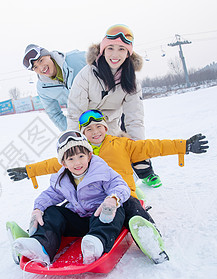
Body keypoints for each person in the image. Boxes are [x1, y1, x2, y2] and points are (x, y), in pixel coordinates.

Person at [7, 109, 209, 264]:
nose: (95, 132)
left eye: (98, 127)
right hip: (89, 207)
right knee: (55, 212)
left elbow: (153, 146)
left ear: (105, 127)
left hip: (122, 198)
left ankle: (150, 238)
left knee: (132, 208)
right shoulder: (77, 153)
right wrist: (28, 171)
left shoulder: (123, 145)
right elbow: (52, 166)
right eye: (89, 130)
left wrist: (184, 145)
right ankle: (34, 239)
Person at [12, 130, 130, 265]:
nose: (77, 163)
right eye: (71, 159)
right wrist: (38, 209)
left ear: (89, 155)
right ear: (64, 163)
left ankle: (96, 243)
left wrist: (112, 199)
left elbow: (120, 185)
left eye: (81, 156)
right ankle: (41, 246)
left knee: (116, 209)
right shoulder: (62, 179)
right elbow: (49, 195)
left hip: (101, 217)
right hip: (79, 220)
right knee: (52, 211)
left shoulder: (102, 171)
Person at [65, 24, 161, 188]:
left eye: (122, 49)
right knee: (90, 160)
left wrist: (138, 150)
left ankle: (143, 174)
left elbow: (134, 118)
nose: (115, 55)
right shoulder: (86, 76)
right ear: (102, 50)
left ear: (128, 53)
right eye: (110, 48)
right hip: (87, 124)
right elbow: (75, 113)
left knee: (118, 155)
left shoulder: (131, 80)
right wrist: (74, 145)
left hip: (110, 125)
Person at [23, 44, 86, 131]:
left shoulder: (76, 58)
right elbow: (54, 114)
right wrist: (72, 131)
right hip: (85, 124)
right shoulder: (43, 88)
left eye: (41, 60)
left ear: (48, 55)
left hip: (107, 113)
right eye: (35, 67)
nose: (41, 68)